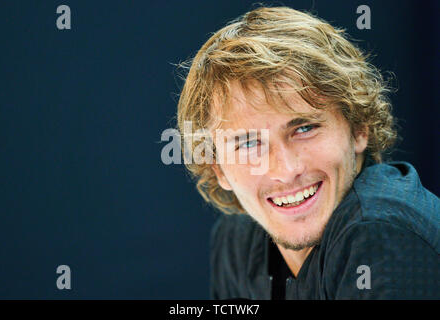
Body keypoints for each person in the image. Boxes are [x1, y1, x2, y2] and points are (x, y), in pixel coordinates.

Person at [176, 6, 439, 299]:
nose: (286, 169)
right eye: (249, 143)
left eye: (304, 128)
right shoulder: (238, 243)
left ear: (359, 127)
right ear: (219, 169)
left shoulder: (383, 236)